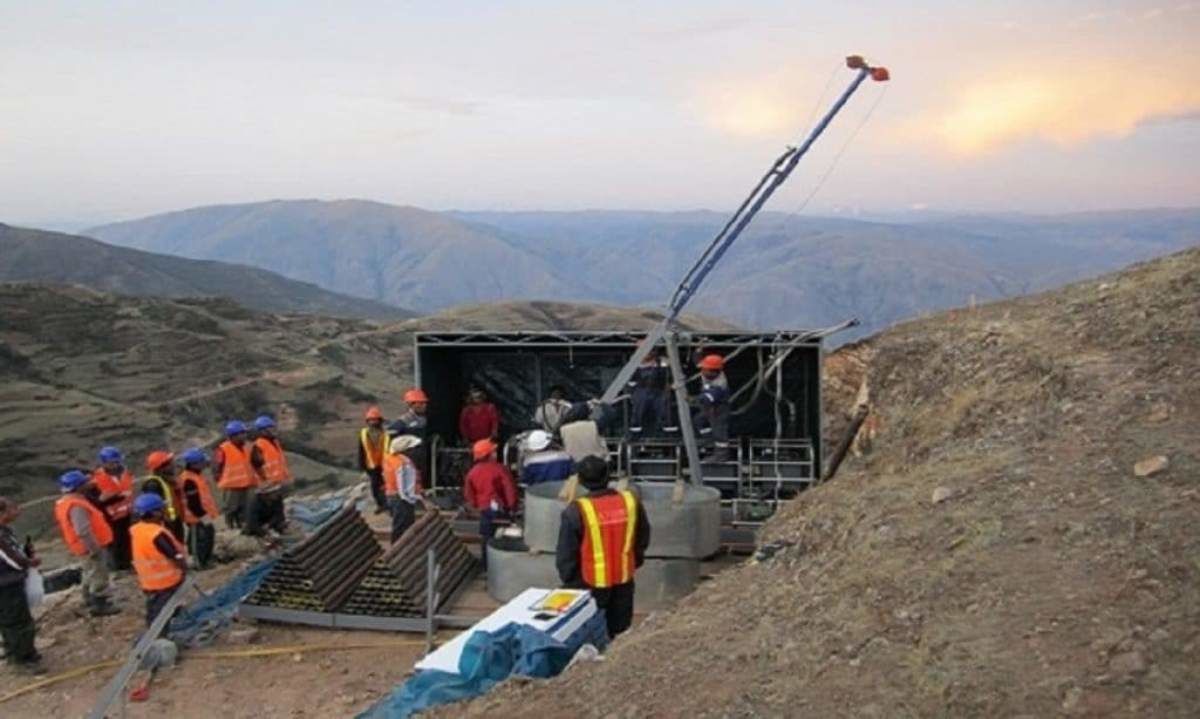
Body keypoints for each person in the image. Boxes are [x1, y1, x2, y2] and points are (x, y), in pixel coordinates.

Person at [556, 456, 650, 639]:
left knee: (591, 634)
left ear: (581, 481)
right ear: (609, 476)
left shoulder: (576, 510)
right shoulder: (630, 502)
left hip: (589, 583)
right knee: (620, 632)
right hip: (623, 579)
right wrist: (634, 561)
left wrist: (570, 582)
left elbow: (566, 553)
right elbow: (643, 536)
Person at [53, 470, 120, 617]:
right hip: (91, 546)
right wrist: (94, 548)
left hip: (82, 547)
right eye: (84, 482)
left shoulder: (66, 502)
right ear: (77, 487)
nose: (89, 483)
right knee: (98, 573)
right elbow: (83, 530)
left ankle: (89, 599)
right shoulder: (77, 505)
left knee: (89, 573)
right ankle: (99, 604)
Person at [129, 494, 187, 630]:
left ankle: (157, 631)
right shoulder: (156, 533)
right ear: (154, 513)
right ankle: (159, 639)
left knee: (155, 610)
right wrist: (183, 568)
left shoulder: (137, 530)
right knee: (162, 615)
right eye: (161, 509)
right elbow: (174, 555)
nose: (164, 511)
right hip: (166, 581)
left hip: (149, 582)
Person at [0, 497, 44, 674]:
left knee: (9, 620)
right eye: (12, 508)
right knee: (17, 621)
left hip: (9, 581)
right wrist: (29, 562)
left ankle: (17, 652)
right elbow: (11, 558)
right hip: (6, 584)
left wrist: (25, 556)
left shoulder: (5, 531)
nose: (17, 510)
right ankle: (22, 659)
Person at [462, 439, 518, 571]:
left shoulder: (472, 472)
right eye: (493, 451)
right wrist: (512, 507)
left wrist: (475, 506)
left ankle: (486, 566)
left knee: (486, 538)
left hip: (484, 510)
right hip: (500, 509)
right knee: (504, 537)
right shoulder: (499, 469)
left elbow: (469, 495)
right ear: (489, 454)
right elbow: (509, 489)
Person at [214, 420, 265, 534]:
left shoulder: (249, 447)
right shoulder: (223, 449)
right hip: (231, 486)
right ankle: (232, 531)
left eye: (244, 433)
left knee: (250, 509)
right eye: (241, 434)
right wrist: (221, 481)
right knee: (231, 510)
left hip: (249, 484)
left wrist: (263, 478)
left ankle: (249, 529)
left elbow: (257, 464)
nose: (244, 436)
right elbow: (217, 468)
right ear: (233, 436)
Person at [91, 446, 134, 571]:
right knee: (114, 543)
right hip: (110, 517)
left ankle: (128, 564)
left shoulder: (125, 472)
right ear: (104, 463)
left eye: (117, 461)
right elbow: (96, 502)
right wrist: (108, 499)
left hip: (126, 513)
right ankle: (117, 568)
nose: (115, 465)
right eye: (112, 463)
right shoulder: (97, 478)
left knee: (127, 540)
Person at [178, 448, 220, 569]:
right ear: (194, 464)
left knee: (207, 535)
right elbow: (193, 503)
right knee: (200, 539)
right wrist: (203, 516)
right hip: (196, 517)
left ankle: (206, 558)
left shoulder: (195, 476)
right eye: (201, 462)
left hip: (201, 514)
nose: (204, 464)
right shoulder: (189, 480)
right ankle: (200, 562)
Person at [383, 435, 425, 542]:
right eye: (414, 448)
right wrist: (416, 499)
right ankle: (397, 552)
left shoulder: (392, 459)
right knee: (403, 527)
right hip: (402, 499)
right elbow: (404, 488)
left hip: (393, 496)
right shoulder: (404, 464)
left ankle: (398, 550)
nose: (417, 451)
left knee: (400, 526)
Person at [252, 415, 290, 535]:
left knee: (278, 507)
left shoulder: (274, 443)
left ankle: (280, 526)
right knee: (272, 509)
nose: (274, 431)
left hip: (276, 482)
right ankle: (271, 528)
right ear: (262, 431)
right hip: (268, 485)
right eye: (270, 428)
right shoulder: (259, 446)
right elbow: (256, 466)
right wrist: (265, 481)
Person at [141, 451, 185, 542]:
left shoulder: (166, 480)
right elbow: (152, 508)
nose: (172, 465)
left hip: (174, 521)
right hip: (166, 524)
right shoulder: (153, 484)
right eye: (169, 463)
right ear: (161, 467)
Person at [627, 348, 671, 439]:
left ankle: (664, 433)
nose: (648, 354)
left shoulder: (662, 362)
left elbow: (668, 373)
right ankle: (635, 434)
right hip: (641, 391)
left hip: (658, 391)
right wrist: (632, 393)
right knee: (638, 412)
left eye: (651, 351)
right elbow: (631, 381)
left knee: (663, 411)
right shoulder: (635, 363)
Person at [390, 389, 432, 484]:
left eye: (424, 403)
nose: (424, 405)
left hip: (420, 458)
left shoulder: (423, 420)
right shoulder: (403, 422)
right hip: (408, 460)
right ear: (412, 404)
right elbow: (392, 439)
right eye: (421, 403)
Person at [694, 354, 731, 461]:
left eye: (705, 369)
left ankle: (722, 454)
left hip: (719, 410)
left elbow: (706, 399)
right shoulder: (708, 373)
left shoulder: (719, 385)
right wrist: (697, 351)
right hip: (709, 408)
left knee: (719, 431)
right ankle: (709, 439)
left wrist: (690, 399)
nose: (702, 371)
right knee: (699, 420)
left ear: (714, 371)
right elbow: (697, 362)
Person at [358, 405, 391, 514]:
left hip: (385, 464)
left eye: (375, 419)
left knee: (387, 485)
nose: (373, 422)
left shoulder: (385, 434)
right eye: (371, 420)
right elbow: (361, 450)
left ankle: (387, 504)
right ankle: (380, 504)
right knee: (375, 487)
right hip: (371, 465)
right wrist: (362, 464)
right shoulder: (363, 434)